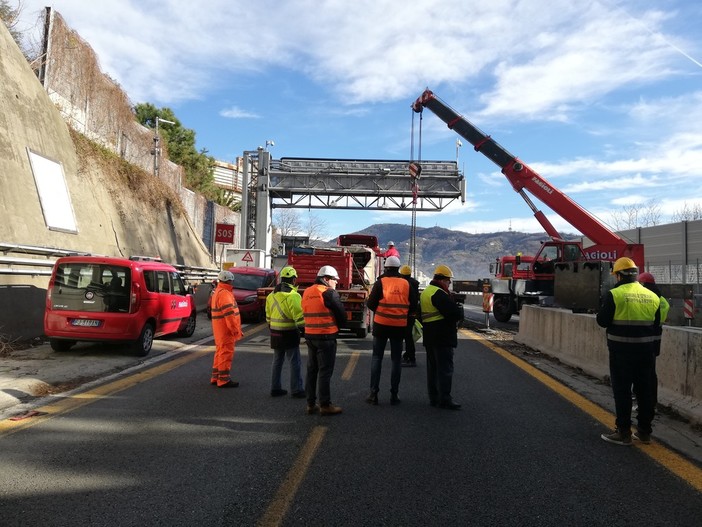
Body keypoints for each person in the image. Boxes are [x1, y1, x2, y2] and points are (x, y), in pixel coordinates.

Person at [597, 257, 661, 446]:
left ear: (618, 275)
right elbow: (656, 324)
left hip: (621, 351)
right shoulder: (652, 296)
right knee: (645, 391)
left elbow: (602, 321)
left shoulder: (615, 294)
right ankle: (644, 432)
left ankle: (623, 432)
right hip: (646, 352)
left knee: (622, 391)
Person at [365, 256, 417, 405]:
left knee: (377, 358)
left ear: (386, 268)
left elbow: (371, 304)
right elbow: (413, 306)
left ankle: (373, 394)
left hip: (381, 325)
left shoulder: (380, 282)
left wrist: (381, 312)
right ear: (398, 268)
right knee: (395, 360)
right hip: (399, 327)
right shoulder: (406, 284)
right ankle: (394, 395)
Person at [301, 265, 347, 416]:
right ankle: (325, 405)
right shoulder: (329, 293)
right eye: (334, 280)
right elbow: (341, 315)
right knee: (325, 372)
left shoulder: (307, 292)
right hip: (326, 336)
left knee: (311, 370)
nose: (336, 283)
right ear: (326, 279)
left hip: (310, 335)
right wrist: (339, 326)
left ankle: (310, 403)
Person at [420, 264, 464, 410]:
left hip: (430, 336)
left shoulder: (427, 292)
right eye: (449, 281)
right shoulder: (439, 294)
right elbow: (454, 314)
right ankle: (445, 398)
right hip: (442, 337)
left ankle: (434, 397)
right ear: (443, 280)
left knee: (432, 370)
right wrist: (458, 309)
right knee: (445, 369)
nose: (449, 283)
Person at [265, 266, 306, 398]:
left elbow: (268, 316)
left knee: (277, 361)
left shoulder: (271, 295)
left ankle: (275, 388)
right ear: (293, 280)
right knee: (294, 362)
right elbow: (299, 318)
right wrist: (304, 330)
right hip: (289, 334)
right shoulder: (294, 296)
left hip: (275, 333)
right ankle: (296, 390)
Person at [637, 272, 670, 406]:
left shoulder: (647, 298)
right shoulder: (662, 300)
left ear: (643, 284)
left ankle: (643, 402)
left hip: (644, 340)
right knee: (651, 373)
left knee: (641, 374)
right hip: (656, 341)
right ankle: (652, 402)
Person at [210, 270, 244, 388]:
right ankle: (223, 380)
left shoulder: (218, 292)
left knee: (220, 352)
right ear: (229, 281)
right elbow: (229, 315)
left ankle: (216, 376)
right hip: (226, 330)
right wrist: (235, 330)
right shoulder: (225, 294)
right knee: (226, 353)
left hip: (220, 329)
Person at [399, 264, 420, 367]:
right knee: (408, 337)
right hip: (411, 315)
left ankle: (411, 358)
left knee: (404, 336)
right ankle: (408, 356)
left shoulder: (404, 284)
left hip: (404, 314)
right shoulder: (415, 284)